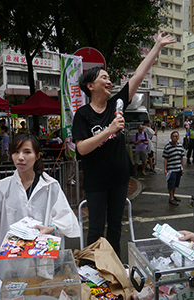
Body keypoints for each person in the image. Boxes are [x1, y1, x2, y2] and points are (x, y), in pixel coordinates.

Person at [72, 32, 175, 256]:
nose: (109, 81)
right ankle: (93, 271)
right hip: (96, 182)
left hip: (119, 179)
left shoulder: (117, 103)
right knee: (96, 229)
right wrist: (109, 130)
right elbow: (81, 148)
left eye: (109, 78)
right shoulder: (82, 115)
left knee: (116, 228)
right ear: (90, 85)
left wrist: (157, 46)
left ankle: (115, 269)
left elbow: (139, 74)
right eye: (103, 78)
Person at [0, 133, 80, 279]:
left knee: (42, 291)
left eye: (27, 152)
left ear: (37, 156)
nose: (20, 157)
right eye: (16, 152)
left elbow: (65, 217)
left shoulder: (50, 186)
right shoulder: (3, 187)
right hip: (13, 260)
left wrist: (51, 228)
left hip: (42, 255)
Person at [162, 131, 184, 206]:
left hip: (178, 168)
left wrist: (182, 168)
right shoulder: (167, 147)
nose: (175, 138)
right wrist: (165, 169)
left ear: (178, 137)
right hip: (171, 169)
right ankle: (171, 198)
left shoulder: (180, 146)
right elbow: (165, 159)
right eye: (173, 136)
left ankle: (173, 195)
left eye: (176, 136)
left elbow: (182, 158)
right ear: (171, 137)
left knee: (175, 184)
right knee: (171, 184)